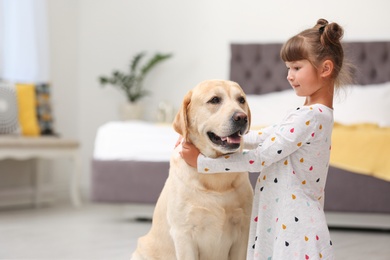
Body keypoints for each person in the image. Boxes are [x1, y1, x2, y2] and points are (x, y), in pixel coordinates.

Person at [179, 18, 354, 260]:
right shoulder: (306, 114)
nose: (289, 76)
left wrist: (201, 162)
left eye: (296, 67)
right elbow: (270, 135)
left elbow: (260, 159)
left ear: (325, 69)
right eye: (288, 68)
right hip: (280, 213)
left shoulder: (312, 117)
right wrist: (233, 137)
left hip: (294, 221)